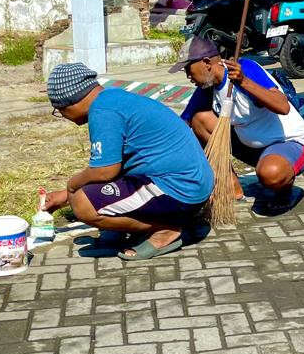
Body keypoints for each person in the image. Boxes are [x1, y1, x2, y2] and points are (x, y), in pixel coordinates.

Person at [43, 62, 214, 261]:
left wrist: (71, 186)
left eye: (59, 111)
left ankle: (166, 230)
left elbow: (105, 171)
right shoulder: (114, 99)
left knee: (82, 203)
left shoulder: (102, 112)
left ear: (70, 102)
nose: (64, 117)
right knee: (87, 191)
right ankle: (140, 225)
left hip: (181, 190)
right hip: (194, 183)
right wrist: (64, 197)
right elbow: (115, 167)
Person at [176, 37, 304, 217]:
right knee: (200, 119)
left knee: (270, 173)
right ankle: (231, 187)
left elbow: (283, 106)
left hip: (288, 143)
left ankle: (286, 191)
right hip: (250, 146)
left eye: (188, 69)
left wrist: (243, 81)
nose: (188, 77)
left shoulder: (244, 68)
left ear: (206, 63)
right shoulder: (207, 87)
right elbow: (182, 124)